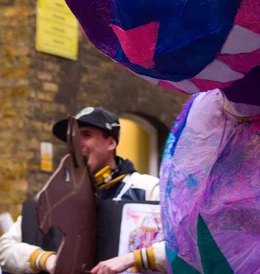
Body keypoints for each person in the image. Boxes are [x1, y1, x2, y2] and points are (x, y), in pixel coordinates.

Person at [0, 107, 165, 274]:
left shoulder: (148, 189)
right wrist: (46, 260)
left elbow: (182, 248)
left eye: (86, 135)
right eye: (72, 138)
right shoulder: (57, 195)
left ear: (111, 143)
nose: (78, 144)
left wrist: (131, 259)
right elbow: (5, 248)